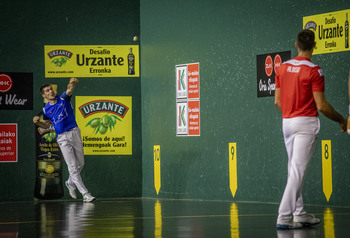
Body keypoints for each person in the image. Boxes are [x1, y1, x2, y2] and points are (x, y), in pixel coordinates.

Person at [274, 29, 347, 229]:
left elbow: (277, 101)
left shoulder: (281, 68)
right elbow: (321, 105)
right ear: (314, 46)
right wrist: (341, 119)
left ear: (296, 45)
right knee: (297, 171)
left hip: (287, 121)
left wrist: (291, 112)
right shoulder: (314, 70)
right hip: (305, 124)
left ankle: (299, 214)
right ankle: (283, 216)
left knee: (293, 169)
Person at [33, 78, 95, 203]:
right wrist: (38, 122)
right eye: (47, 91)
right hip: (62, 138)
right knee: (72, 167)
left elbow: (69, 89)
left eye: (50, 89)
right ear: (44, 95)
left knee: (81, 163)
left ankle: (70, 183)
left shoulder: (63, 98)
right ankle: (85, 194)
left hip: (74, 132)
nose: (50, 91)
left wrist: (73, 82)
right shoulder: (46, 111)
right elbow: (46, 125)